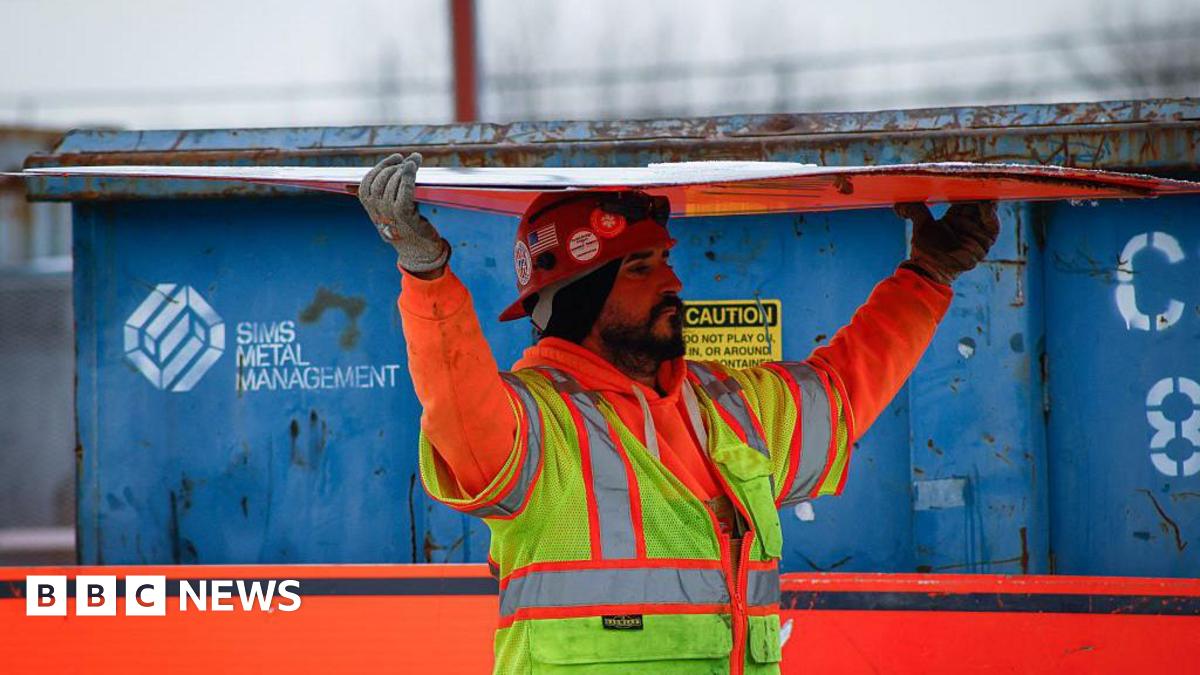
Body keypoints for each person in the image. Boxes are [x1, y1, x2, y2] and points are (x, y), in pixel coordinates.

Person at [358, 152, 998, 674]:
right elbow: (455, 396)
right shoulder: (531, 428)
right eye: (641, 267)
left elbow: (846, 388)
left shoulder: (730, 409)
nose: (673, 283)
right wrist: (427, 277)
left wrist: (928, 274)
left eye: (666, 260)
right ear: (581, 298)